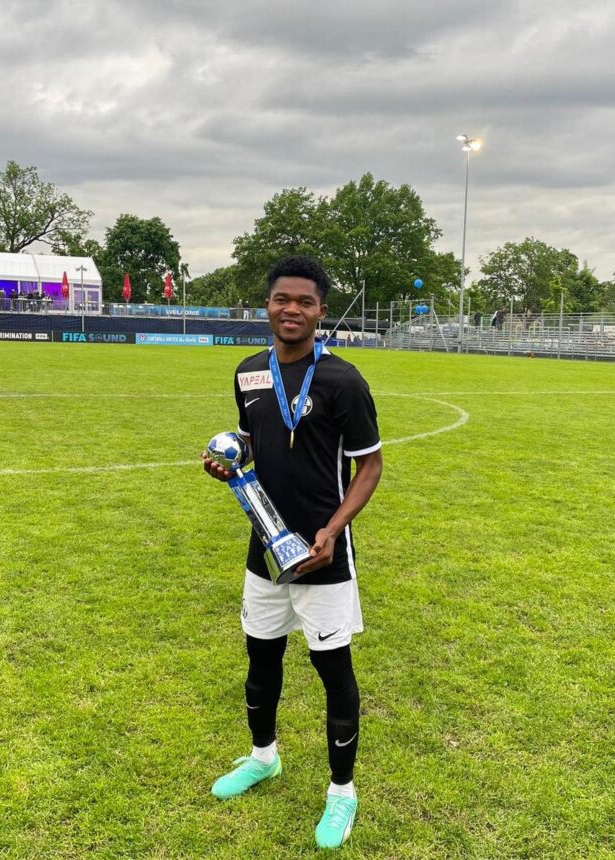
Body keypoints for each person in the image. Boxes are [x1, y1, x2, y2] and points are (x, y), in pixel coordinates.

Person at [202, 255, 382, 850]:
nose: (292, 310)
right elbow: (255, 439)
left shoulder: (343, 380)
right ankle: (263, 757)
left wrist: (332, 531)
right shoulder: (248, 372)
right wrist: (229, 461)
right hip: (265, 548)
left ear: (321, 311)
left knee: (333, 672)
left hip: (322, 556)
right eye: (283, 299)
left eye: (305, 302)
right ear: (267, 305)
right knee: (261, 663)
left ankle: (341, 793)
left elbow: (370, 465)